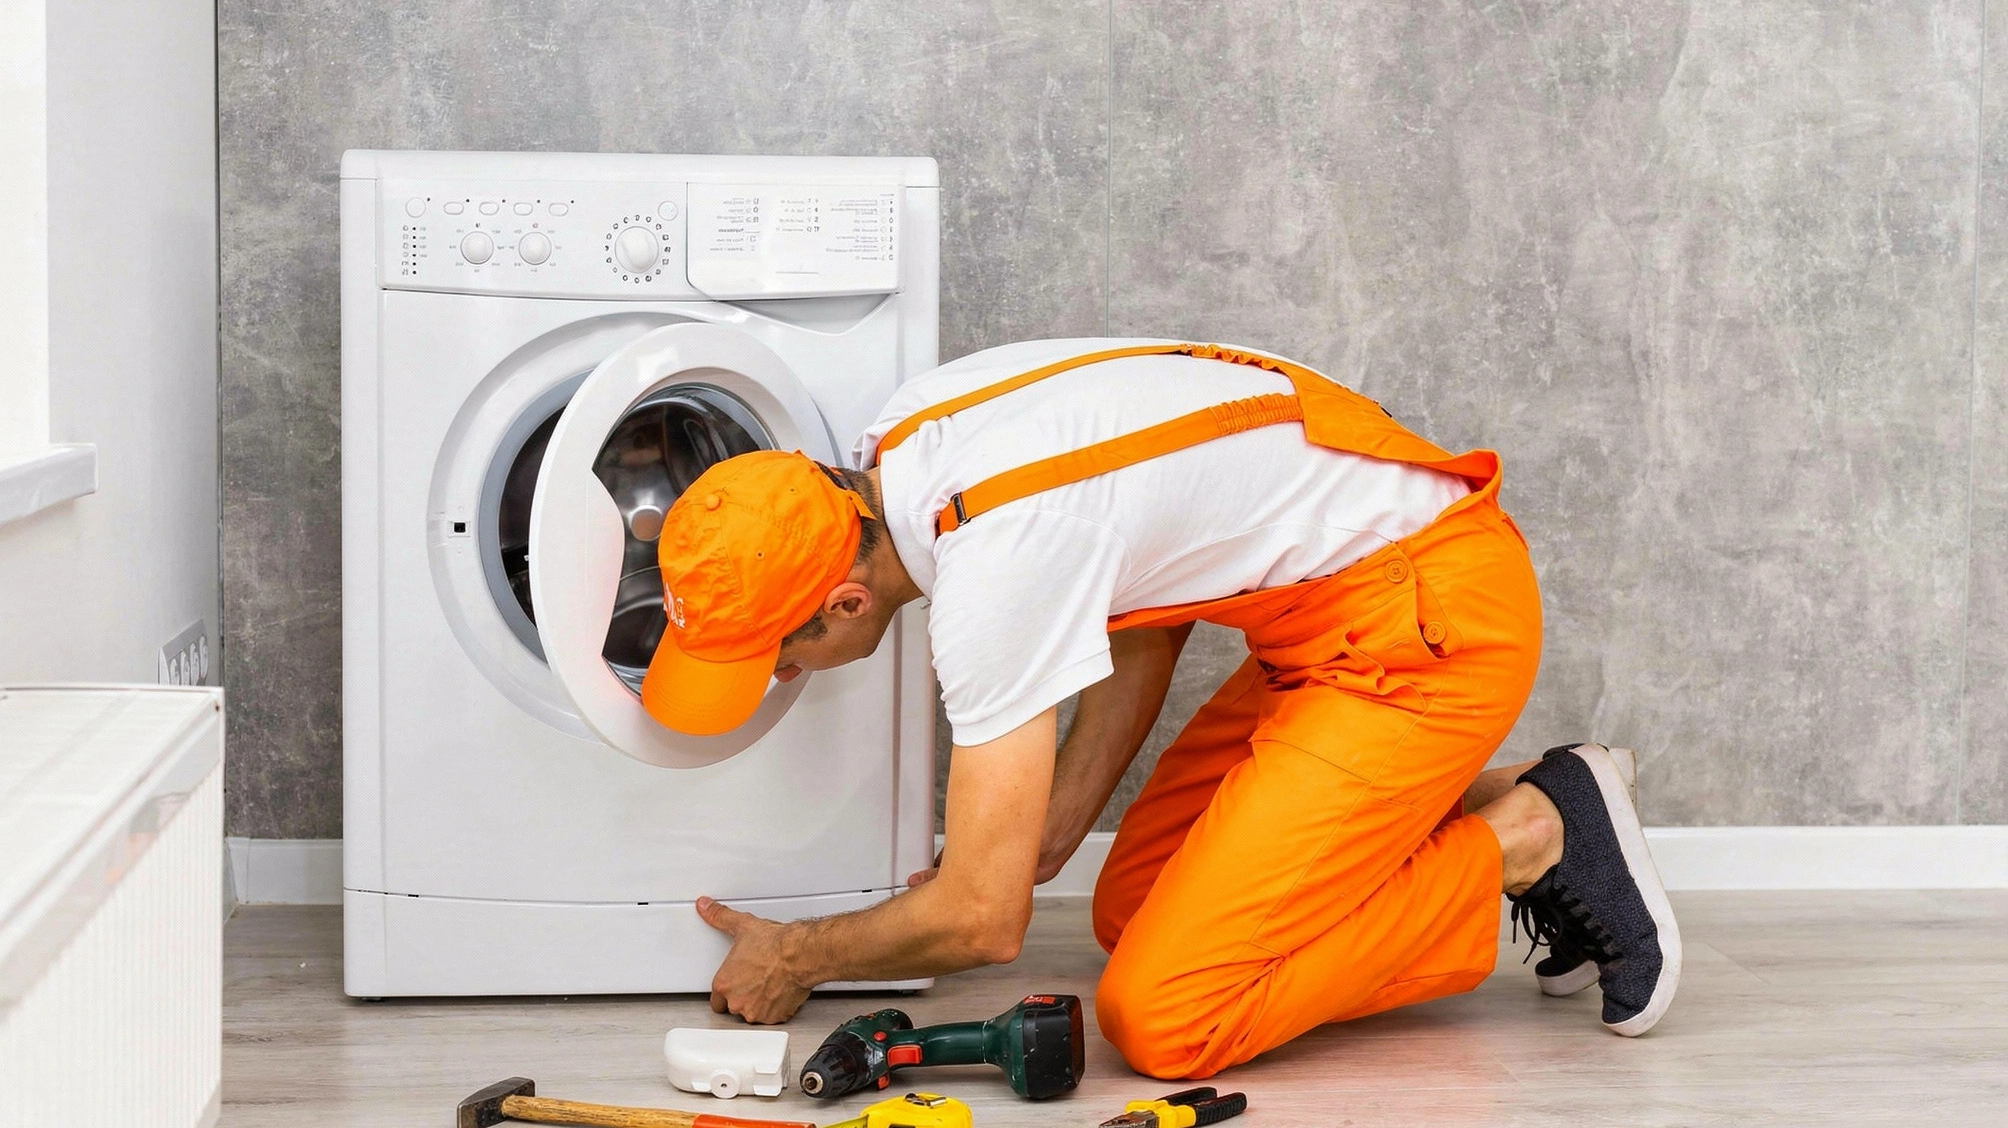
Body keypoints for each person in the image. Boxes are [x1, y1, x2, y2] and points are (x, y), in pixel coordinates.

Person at [642, 339, 1680, 1079]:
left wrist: (796, 955)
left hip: (1426, 633)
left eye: (777, 655)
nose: (780, 679)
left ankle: (1532, 833)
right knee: (1128, 908)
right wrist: (1061, 817)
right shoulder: (925, 430)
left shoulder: (990, 562)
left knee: (1167, 1014)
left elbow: (980, 919)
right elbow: (1147, 583)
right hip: (1330, 627)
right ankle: (1500, 802)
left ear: (843, 602)